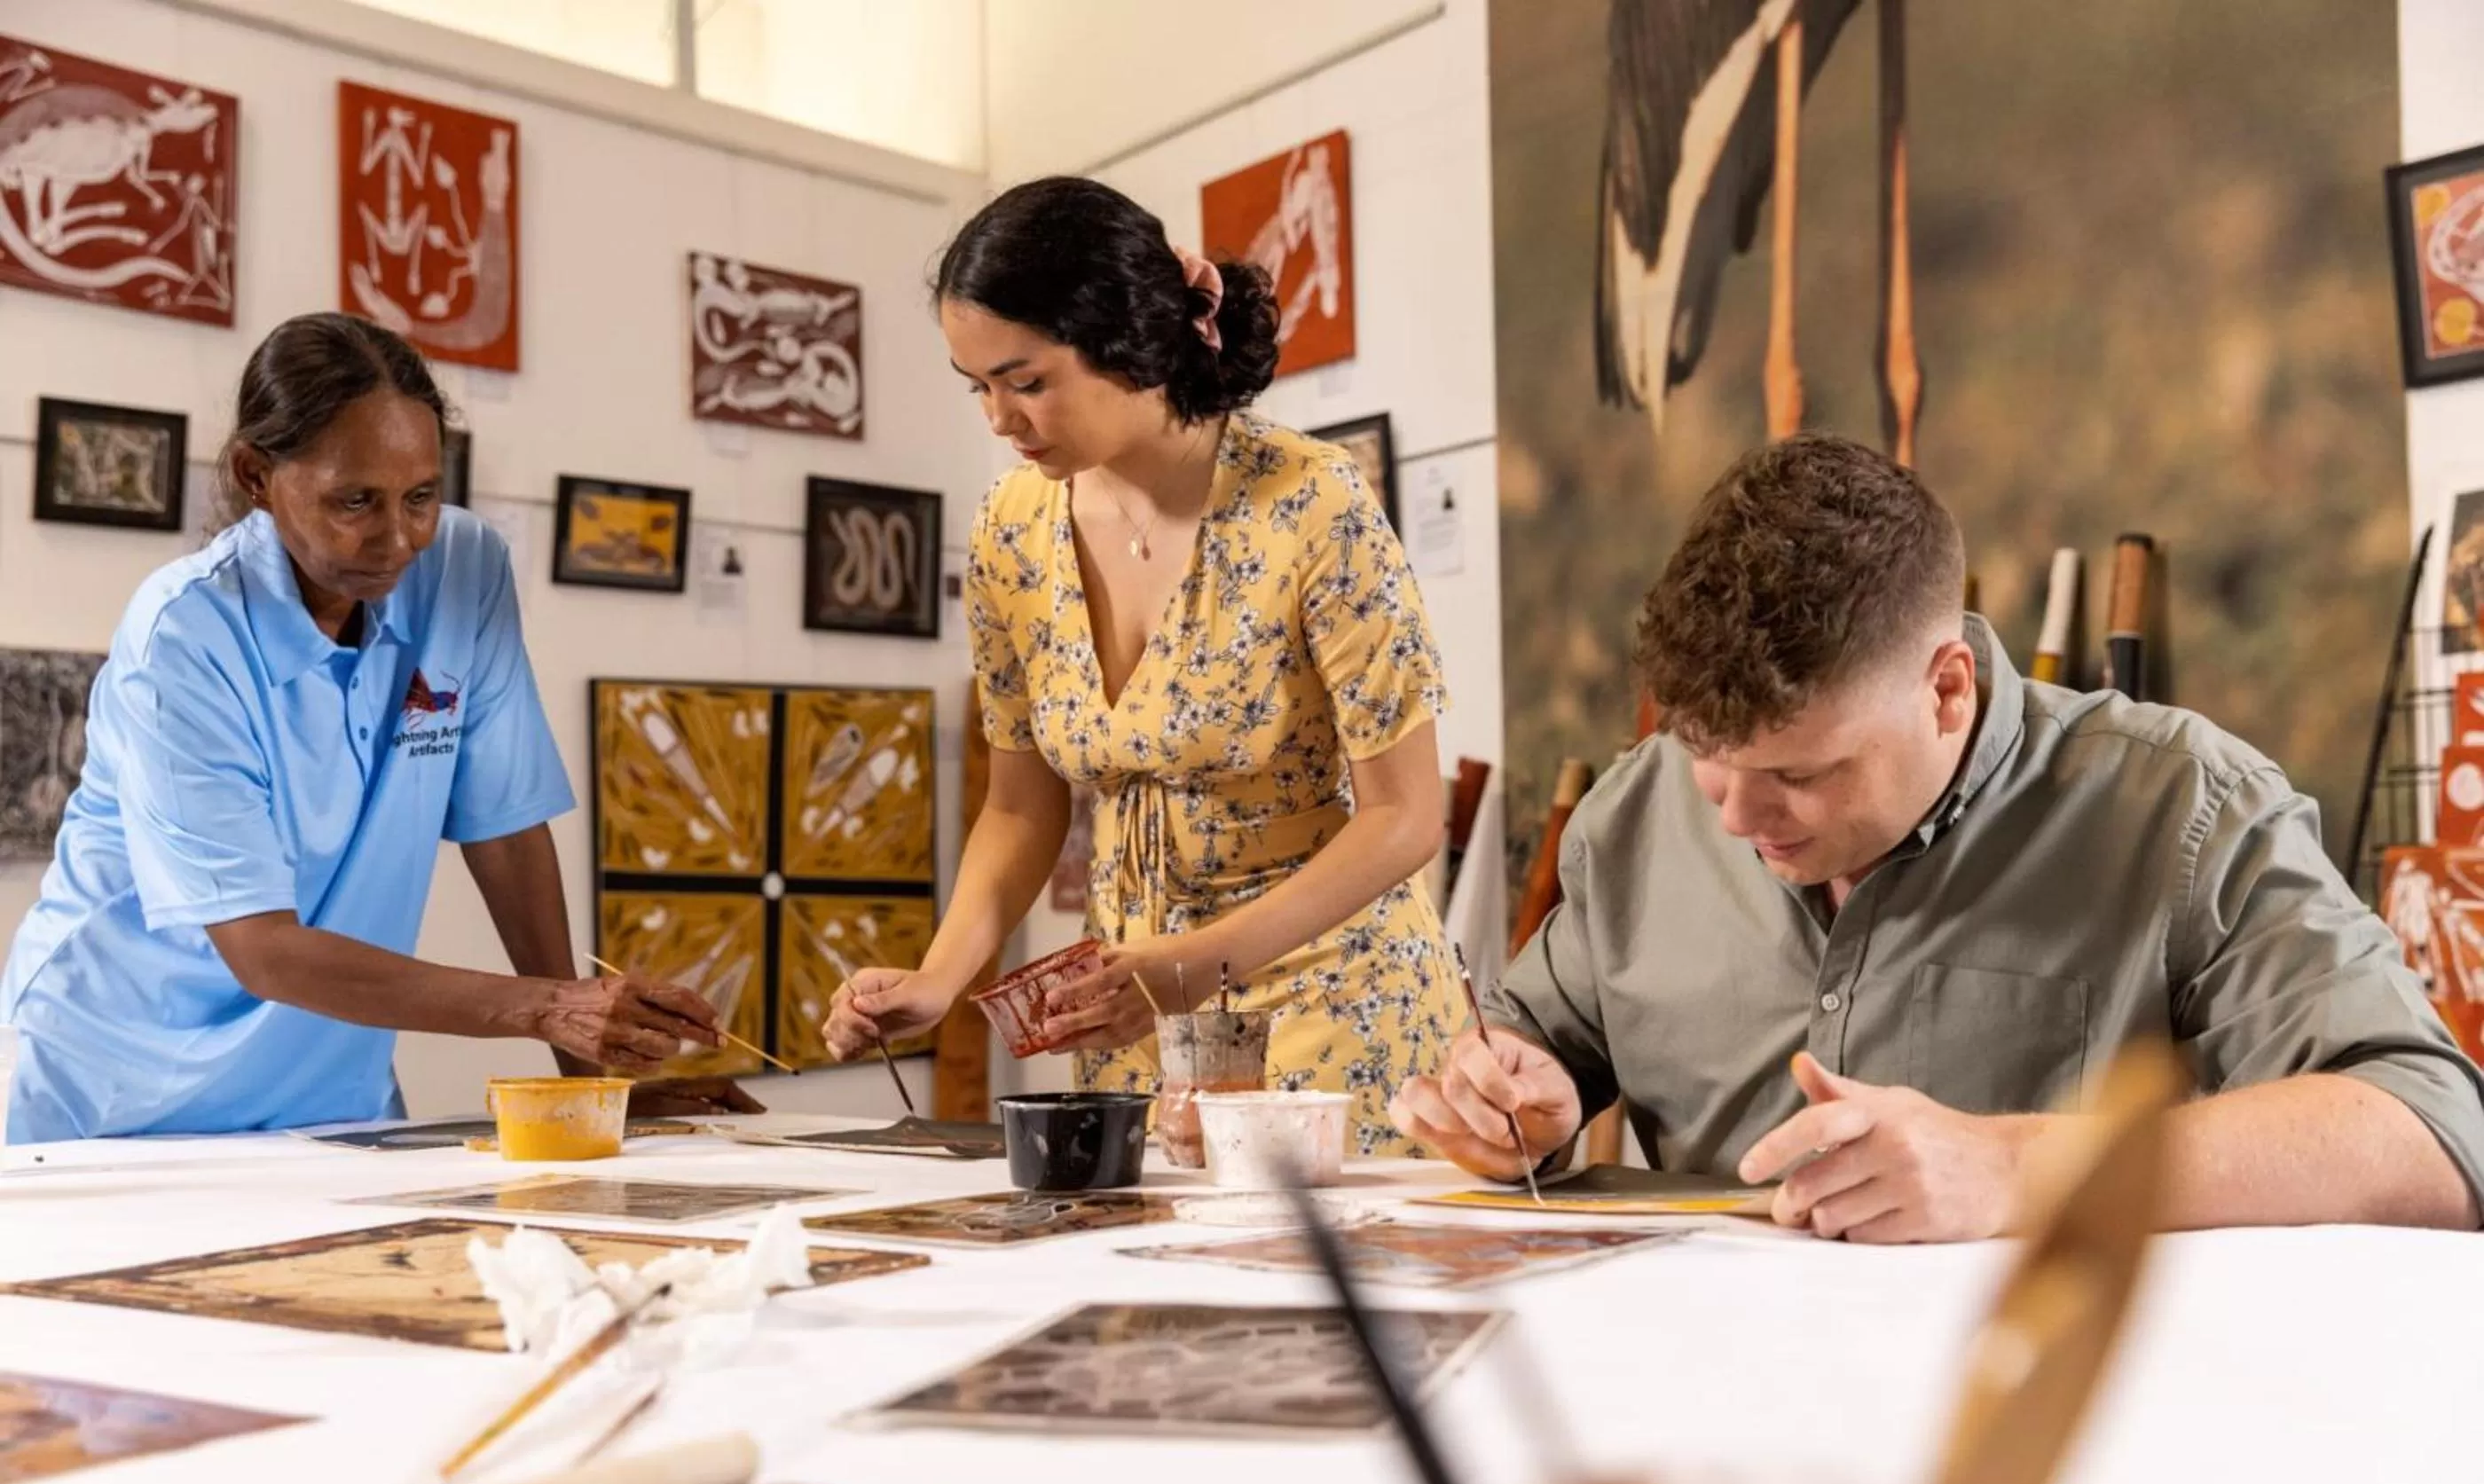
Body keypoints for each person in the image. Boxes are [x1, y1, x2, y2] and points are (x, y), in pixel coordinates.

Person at [1392, 433, 2484, 1238]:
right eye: (1704, 758)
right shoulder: (1637, 814)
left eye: (1799, 773)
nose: (1731, 816)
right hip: (1715, 1431)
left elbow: (2434, 1135)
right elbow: (1530, 1039)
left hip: (2049, 1444)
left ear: (1948, 689)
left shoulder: (2186, 809)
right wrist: (1507, 1094)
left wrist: (2018, 1168)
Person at [821, 177, 1461, 1150]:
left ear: (1129, 342)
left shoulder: (1311, 503)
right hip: (1126, 1007)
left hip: (1334, 997)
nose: (998, 418)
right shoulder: (1010, 530)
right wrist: (939, 978)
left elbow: (1405, 816)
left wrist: (1187, 969)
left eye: (1026, 381)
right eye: (977, 386)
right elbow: (1018, 804)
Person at [0, 312, 748, 1142]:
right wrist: (550, 1007)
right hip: (121, 1091)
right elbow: (263, 948)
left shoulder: (463, 569)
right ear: (256, 473)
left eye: (421, 496)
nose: (398, 540)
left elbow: (504, 834)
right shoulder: (182, 636)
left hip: (328, 1090)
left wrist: (593, 1079)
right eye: (355, 500)